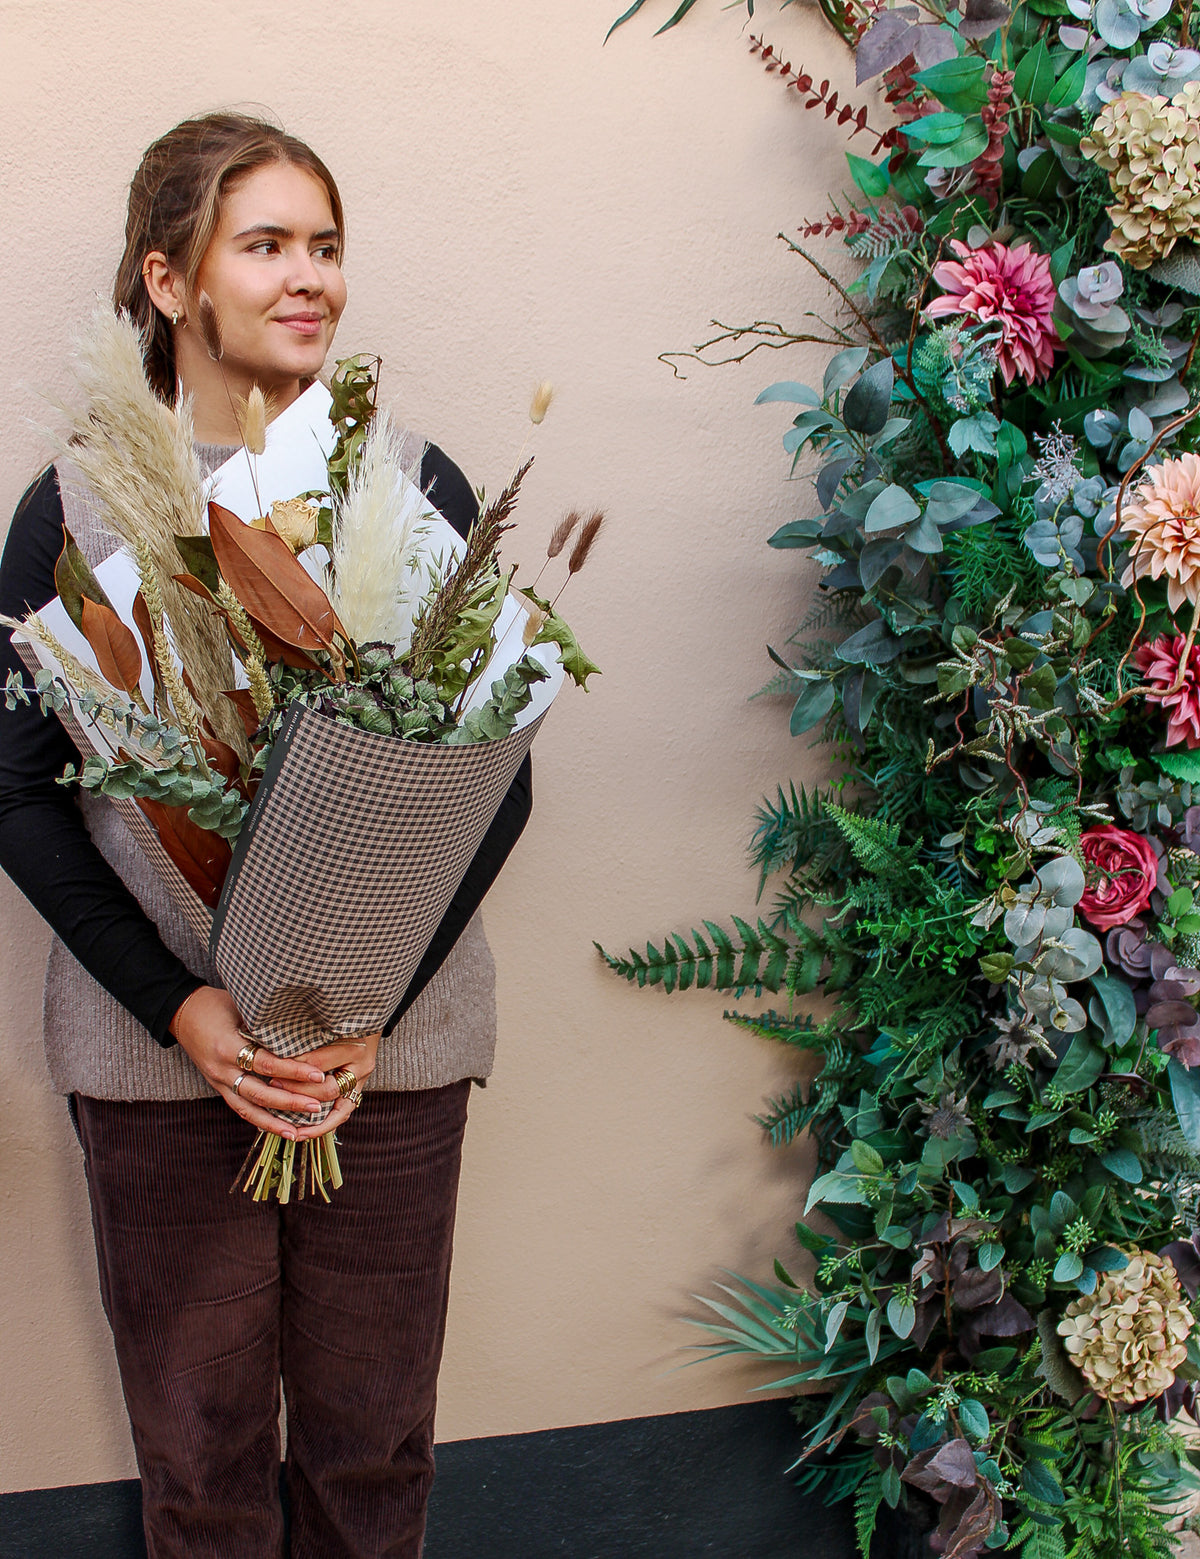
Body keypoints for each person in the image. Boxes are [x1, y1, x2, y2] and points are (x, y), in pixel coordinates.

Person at [0, 111, 532, 1559]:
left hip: (390, 1064)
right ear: (171, 283)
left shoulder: (415, 493)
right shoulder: (72, 510)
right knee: (200, 1466)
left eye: (326, 246)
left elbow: (498, 775)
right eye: (268, 246)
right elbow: (22, 794)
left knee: (371, 1457)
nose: (311, 279)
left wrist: (372, 1004)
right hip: (160, 1062)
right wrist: (184, 1007)